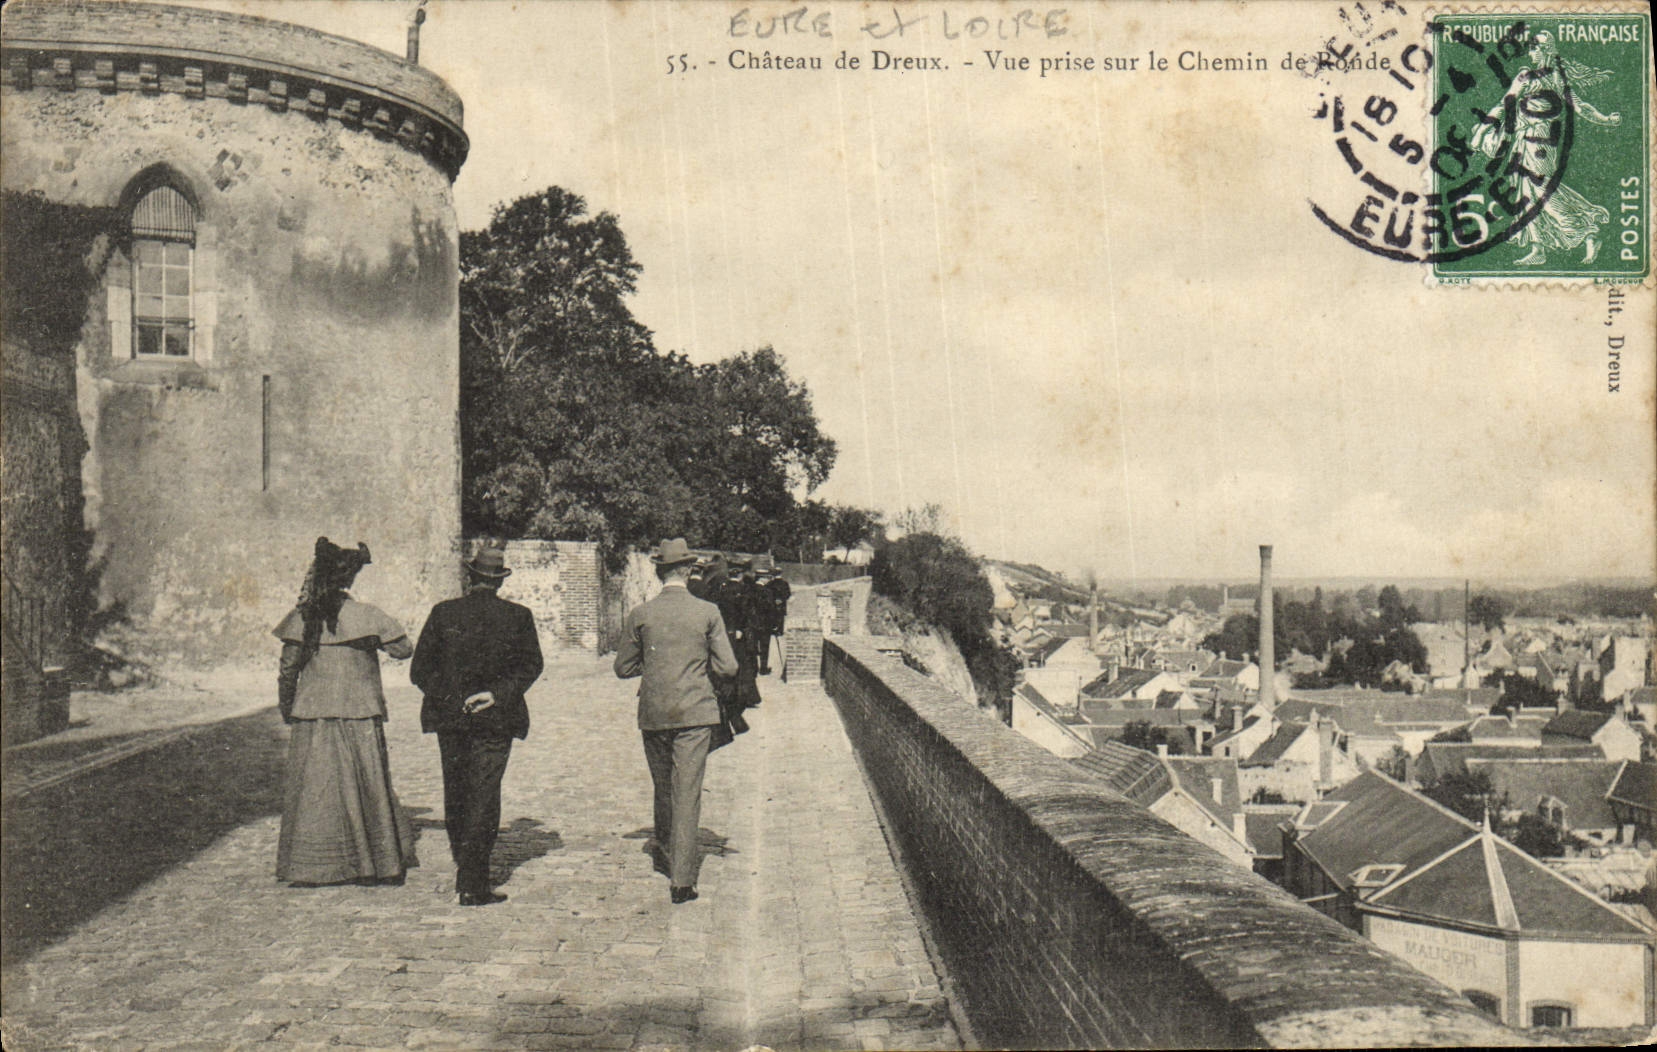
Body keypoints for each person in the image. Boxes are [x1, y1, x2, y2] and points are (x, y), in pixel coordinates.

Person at [273, 537, 417, 886]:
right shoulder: (367, 615)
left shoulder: (303, 617)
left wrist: (288, 708)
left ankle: (312, 866)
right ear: (350, 579)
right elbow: (403, 649)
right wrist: (370, 639)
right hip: (360, 711)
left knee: (316, 788)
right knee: (366, 783)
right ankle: (375, 862)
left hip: (314, 713)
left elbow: (288, 671)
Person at [409, 543, 543, 906]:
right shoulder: (518, 616)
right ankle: (473, 881)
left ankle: (463, 861)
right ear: (500, 581)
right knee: (484, 793)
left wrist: (453, 699)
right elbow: (532, 666)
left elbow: (420, 670)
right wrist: (494, 695)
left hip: (451, 718)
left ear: (470, 577)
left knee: (456, 790)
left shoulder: (443, 613)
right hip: (496, 719)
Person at [614, 538, 739, 904]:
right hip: (695, 713)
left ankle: (665, 851)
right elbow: (728, 666)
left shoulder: (641, 613)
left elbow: (622, 667)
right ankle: (682, 881)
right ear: (687, 570)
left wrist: (655, 666)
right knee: (687, 791)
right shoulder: (708, 612)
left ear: (659, 572)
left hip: (654, 713)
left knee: (663, 786)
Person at [1470, 31, 1621, 266]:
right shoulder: (1524, 76)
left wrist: (1606, 119)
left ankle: (1586, 231)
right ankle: (1538, 248)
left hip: (1542, 142)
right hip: (1522, 139)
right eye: (1530, 47)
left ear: (1547, 51)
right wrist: (1482, 130)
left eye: (1535, 48)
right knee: (1525, 192)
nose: (1530, 52)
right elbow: (1504, 104)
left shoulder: (1557, 79)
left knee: (1541, 189)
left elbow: (1580, 106)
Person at [757, 558, 791, 676]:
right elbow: (788, 594)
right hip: (779, 607)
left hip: (770, 608)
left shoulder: (770, 584)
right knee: (780, 618)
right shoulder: (785, 583)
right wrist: (781, 600)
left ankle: (774, 629)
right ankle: (778, 630)